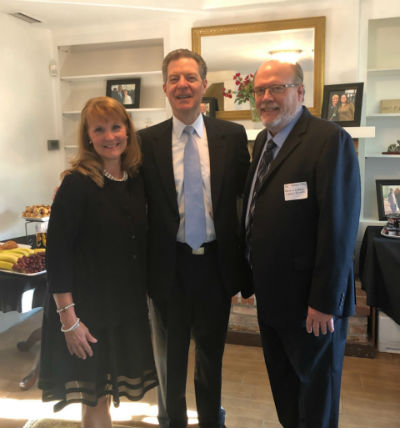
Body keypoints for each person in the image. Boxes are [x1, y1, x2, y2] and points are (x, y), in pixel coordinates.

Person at [243, 60, 360, 428]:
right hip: (272, 300)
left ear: (300, 91)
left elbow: (339, 229)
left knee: (317, 402)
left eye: (276, 88)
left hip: (312, 307)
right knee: (286, 394)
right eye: (260, 90)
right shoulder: (263, 141)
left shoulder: (329, 140)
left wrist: (325, 302)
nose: (266, 97)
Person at [138, 49, 251, 428]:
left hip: (216, 266)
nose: (182, 85)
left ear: (204, 85)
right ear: (165, 89)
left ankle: (209, 420)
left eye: (190, 78)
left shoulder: (232, 137)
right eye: (174, 79)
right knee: (169, 357)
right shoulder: (146, 141)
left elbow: (246, 198)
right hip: (168, 266)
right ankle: (171, 420)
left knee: (210, 355)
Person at [38, 96, 158, 428]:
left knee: (103, 395)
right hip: (86, 311)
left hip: (122, 307)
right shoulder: (76, 184)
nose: (110, 136)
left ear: (128, 131)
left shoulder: (134, 180)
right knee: (93, 396)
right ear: (88, 136)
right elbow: (58, 255)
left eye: (116, 126)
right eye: (99, 129)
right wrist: (69, 321)